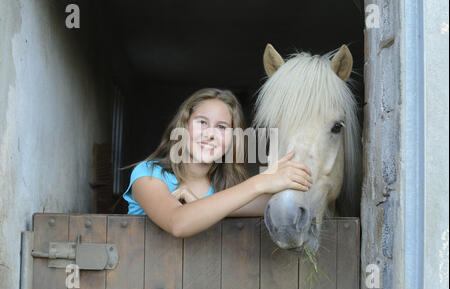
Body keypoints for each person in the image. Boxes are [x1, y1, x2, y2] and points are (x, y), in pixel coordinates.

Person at [121, 88, 313, 238]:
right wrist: (260, 181)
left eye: (221, 127)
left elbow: (280, 206)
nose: (210, 134)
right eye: (202, 122)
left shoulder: (223, 188)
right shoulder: (148, 175)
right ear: (184, 126)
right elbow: (177, 224)